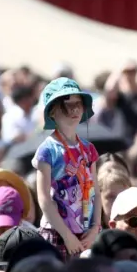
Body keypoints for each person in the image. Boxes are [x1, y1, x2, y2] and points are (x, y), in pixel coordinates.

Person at [32, 77, 101, 259]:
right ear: (52, 111)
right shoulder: (47, 150)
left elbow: (96, 190)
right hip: (56, 234)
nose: (75, 109)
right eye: (67, 104)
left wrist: (95, 228)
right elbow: (44, 199)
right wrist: (67, 236)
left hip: (86, 234)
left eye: (78, 103)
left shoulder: (89, 149)